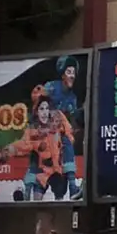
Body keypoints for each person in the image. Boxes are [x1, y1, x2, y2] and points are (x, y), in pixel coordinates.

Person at [0, 95, 72, 201]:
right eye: (41, 109)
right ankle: (23, 195)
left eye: (47, 108)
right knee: (37, 198)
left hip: (58, 173)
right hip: (42, 173)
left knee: (60, 189)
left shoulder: (58, 125)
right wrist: (3, 153)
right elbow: (21, 146)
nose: (45, 112)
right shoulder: (32, 132)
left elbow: (69, 134)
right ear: (37, 112)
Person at [43, 55, 82, 200]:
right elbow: (38, 106)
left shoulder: (73, 98)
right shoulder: (51, 87)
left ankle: (72, 187)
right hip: (45, 134)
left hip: (61, 136)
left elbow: (72, 121)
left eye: (74, 73)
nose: (72, 76)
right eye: (69, 72)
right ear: (62, 74)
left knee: (68, 141)